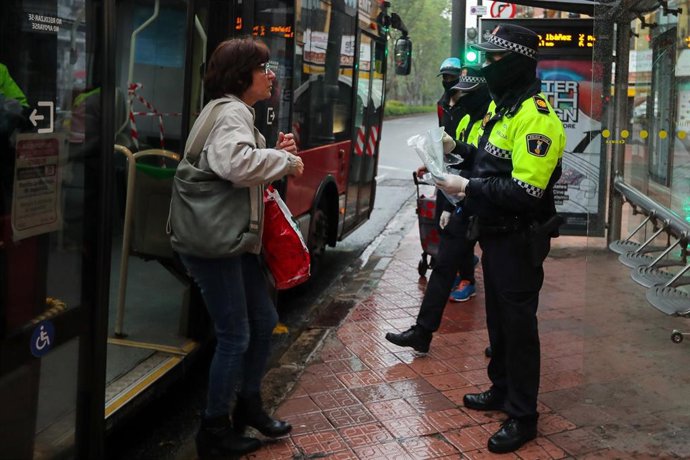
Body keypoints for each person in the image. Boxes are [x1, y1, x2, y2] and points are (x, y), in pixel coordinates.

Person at [171, 37, 304, 459]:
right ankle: (213, 430)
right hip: (216, 242)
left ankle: (249, 405)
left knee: (263, 318)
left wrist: (271, 152)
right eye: (263, 67)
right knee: (235, 335)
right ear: (241, 73)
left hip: (231, 239)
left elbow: (234, 162)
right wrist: (284, 161)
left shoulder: (228, 110)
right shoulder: (231, 112)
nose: (270, 75)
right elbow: (234, 165)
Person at [436, 24, 566, 454]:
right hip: (494, 236)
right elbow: (490, 164)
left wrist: (467, 188)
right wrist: (455, 153)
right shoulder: (505, 110)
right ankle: (501, 389)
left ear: (516, 63)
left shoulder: (537, 118)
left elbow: (526, 193)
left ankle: (523, 414)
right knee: (498, 323)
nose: (487, 67)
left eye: (493, 60)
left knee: (519, 328)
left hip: (518, 238)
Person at [384, 66, 490, 353]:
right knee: (443, 266)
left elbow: (486, 162)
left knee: (497, 278)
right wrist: (436, 169)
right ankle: (422, 331)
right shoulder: (469, 119)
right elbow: (462, 156)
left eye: (465, 94)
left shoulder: (495, 120)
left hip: (491, 205)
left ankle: (502, 341)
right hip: (464, 203)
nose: (458, 98)